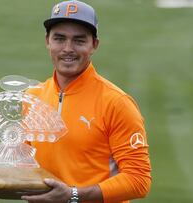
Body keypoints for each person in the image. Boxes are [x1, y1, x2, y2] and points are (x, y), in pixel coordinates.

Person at [22, 1, 151, 202]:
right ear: (48, 41)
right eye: (59, 38)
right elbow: (24, 165)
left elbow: (138, 180)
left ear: (94, 45)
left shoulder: (116, 103)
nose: (67, 49)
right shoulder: (32, 98)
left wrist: (73, 196)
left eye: (79, 41)